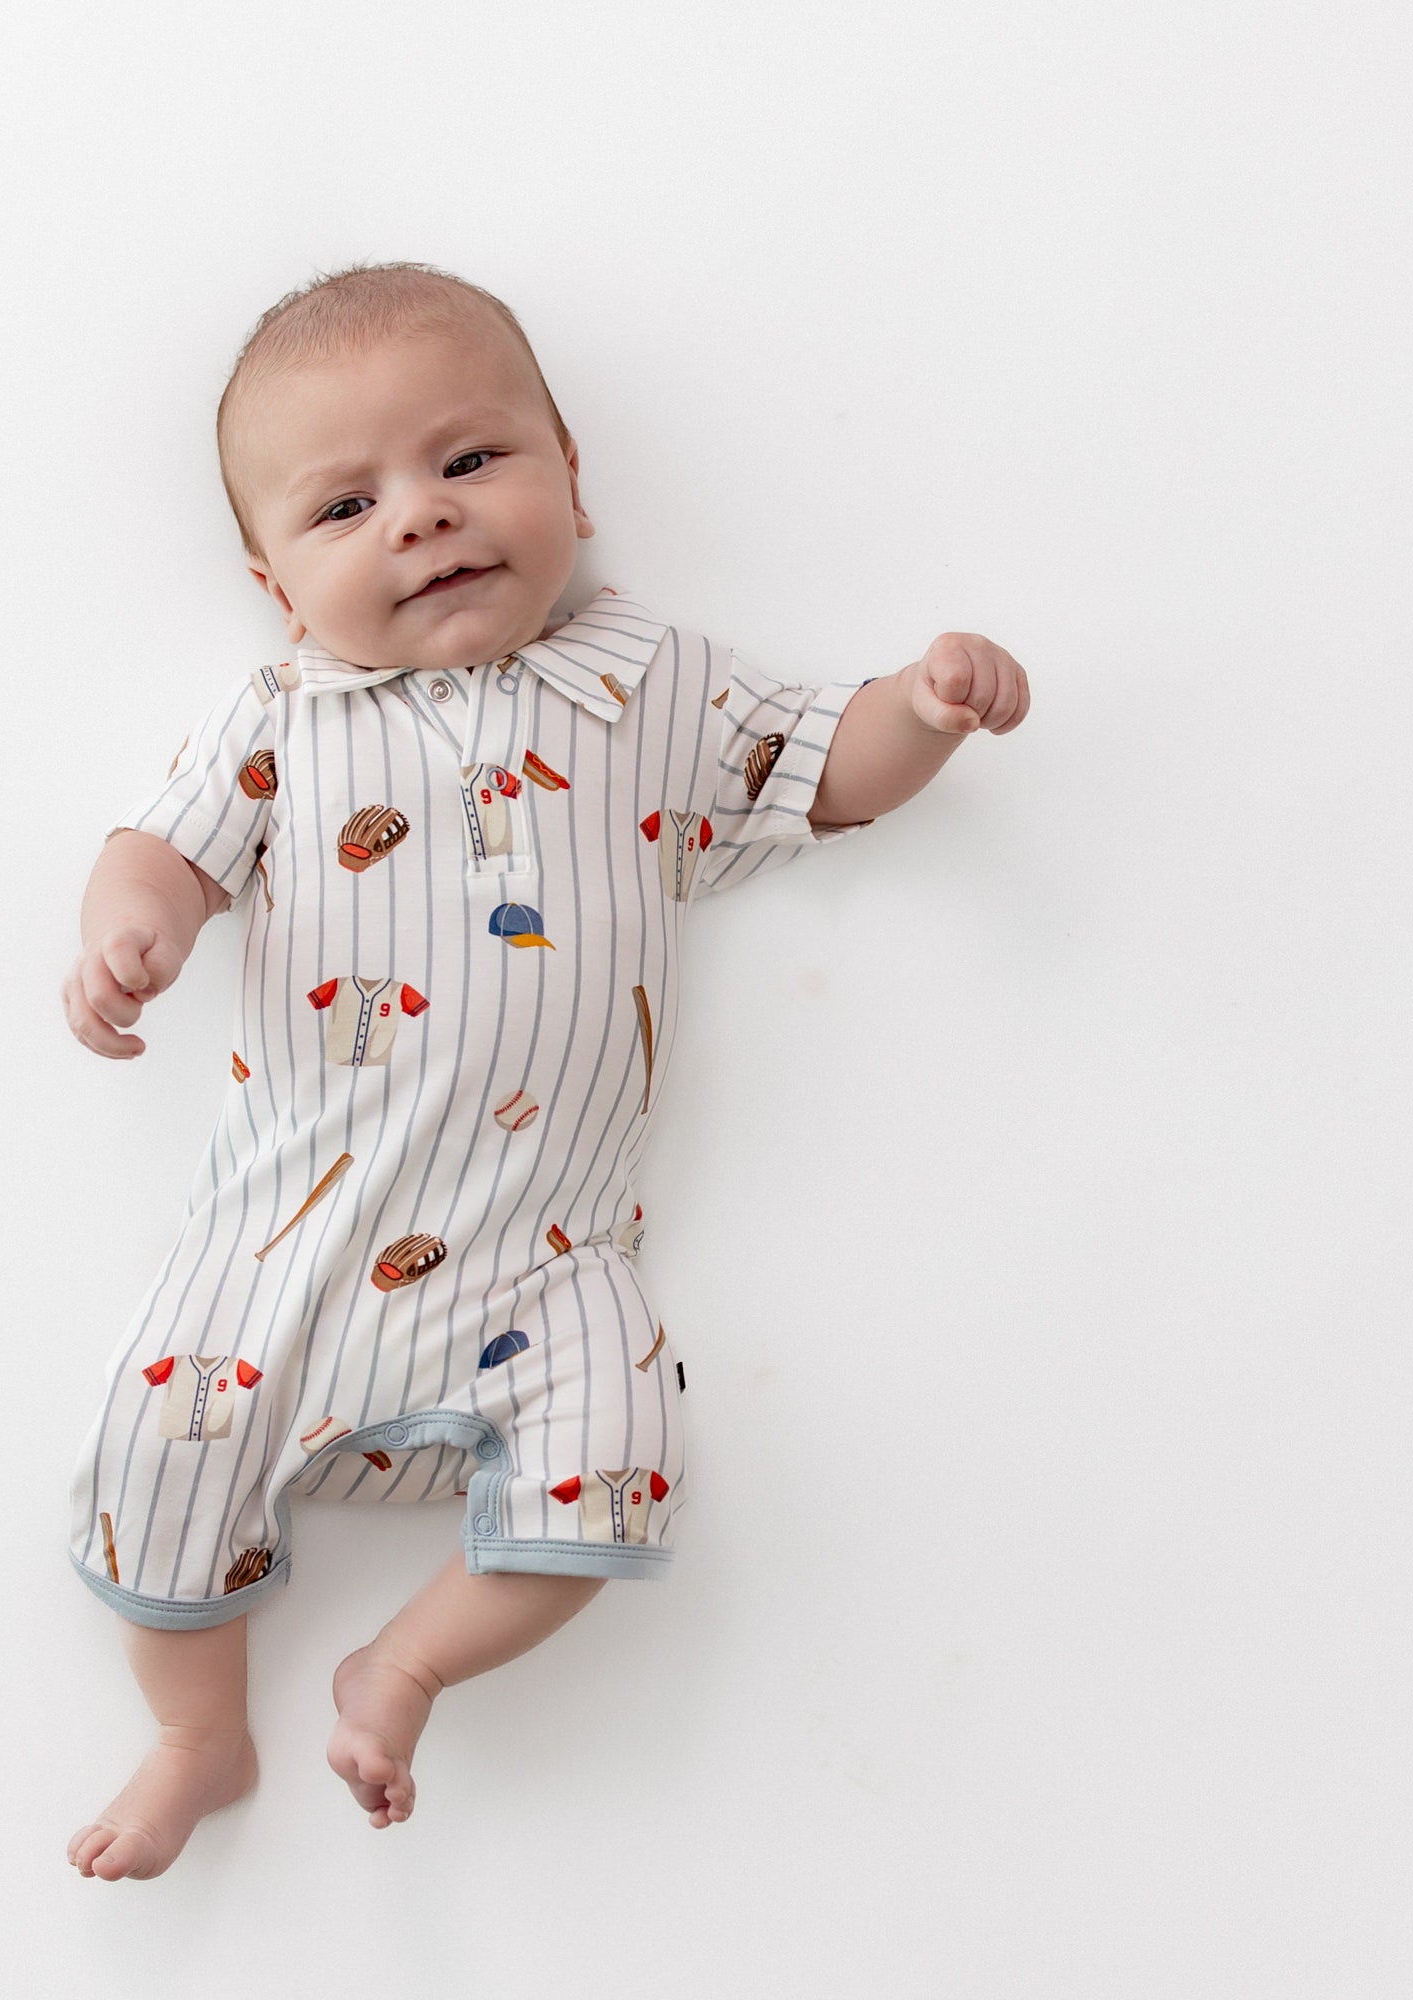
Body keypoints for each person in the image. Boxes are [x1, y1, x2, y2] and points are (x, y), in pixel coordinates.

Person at [60, 262, 1030, 1880]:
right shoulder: (283, 719)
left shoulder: (648, 685)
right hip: (285, 1237)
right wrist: (130, 932)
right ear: (275, 586)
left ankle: (407, 1666)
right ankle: (193, 1732)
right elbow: (159, 850)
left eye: (467, 462)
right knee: (157, 1452)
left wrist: (921, 711)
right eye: (346, 503)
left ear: (571, 475)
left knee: (625, 1455)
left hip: (544, 1249)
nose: (422, 520)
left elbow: (822, 768)